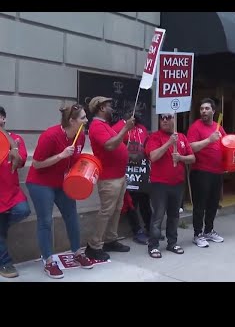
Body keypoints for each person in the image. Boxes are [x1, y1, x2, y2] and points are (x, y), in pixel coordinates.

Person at [26, 104, 93, 279]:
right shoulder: (50, 136)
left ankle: (77, 252)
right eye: (83, 118)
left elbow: (75, 160)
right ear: (72, 121)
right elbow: (37, 164)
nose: (86, 120)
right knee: (46, 221)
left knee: (72, 215)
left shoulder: (80, 137)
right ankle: (48, 261)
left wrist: (87, 171)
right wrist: (61, 155)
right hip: (41, 183)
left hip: (62, 183)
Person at [187, 98, 235, 248]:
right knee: (200, 205)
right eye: (202, 109)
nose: (204, 111)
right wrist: (209, 140)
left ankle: (208, 230)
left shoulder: (218, 127)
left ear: (213, 111)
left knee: (213, 203)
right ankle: (197, 234)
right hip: (200, 172)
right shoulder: (195, 127)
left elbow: (228, 143)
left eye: (207, 108)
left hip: (217, 172)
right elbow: (191, 147)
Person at [85, 97, 134, 261]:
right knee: (106, 211)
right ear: (101, 108)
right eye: (109, 106)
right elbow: (110, 145)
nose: (112, 108)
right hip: (109, 178)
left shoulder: (105, 125)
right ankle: (94, 246)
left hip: (119, 176)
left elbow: (117, 144)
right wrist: (125, 129)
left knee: (116, 209)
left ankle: (111, 240)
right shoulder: (97, 126)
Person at [145, 113, 195, 257]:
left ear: (174, 119)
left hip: (178, 183)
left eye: (168, 117)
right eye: (162, 118)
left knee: (174, 216)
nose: (165, 120)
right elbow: (153, 156)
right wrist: (168, 143)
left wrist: (180, 157)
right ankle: (153, 245)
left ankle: (172, 243)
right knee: (158, 216)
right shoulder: (155, 137)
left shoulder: (182, 137)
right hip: (159, 184)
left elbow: (192, 158)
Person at [112, 111, 152, 245]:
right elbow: (113, 144)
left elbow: (147, 144)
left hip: (142, 171)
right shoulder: (118, 127)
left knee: (145, 200)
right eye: (131, 112)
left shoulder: (142, 128)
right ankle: (137, 231)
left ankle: (150, 228)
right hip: (127, 171)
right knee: (131, 202)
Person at [0, 106, 31, 278]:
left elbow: (20, 162)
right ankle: (5, 264)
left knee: (23, 210)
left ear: (3, 118)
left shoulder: (16, 139)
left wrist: (14, 149)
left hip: (11, 192)